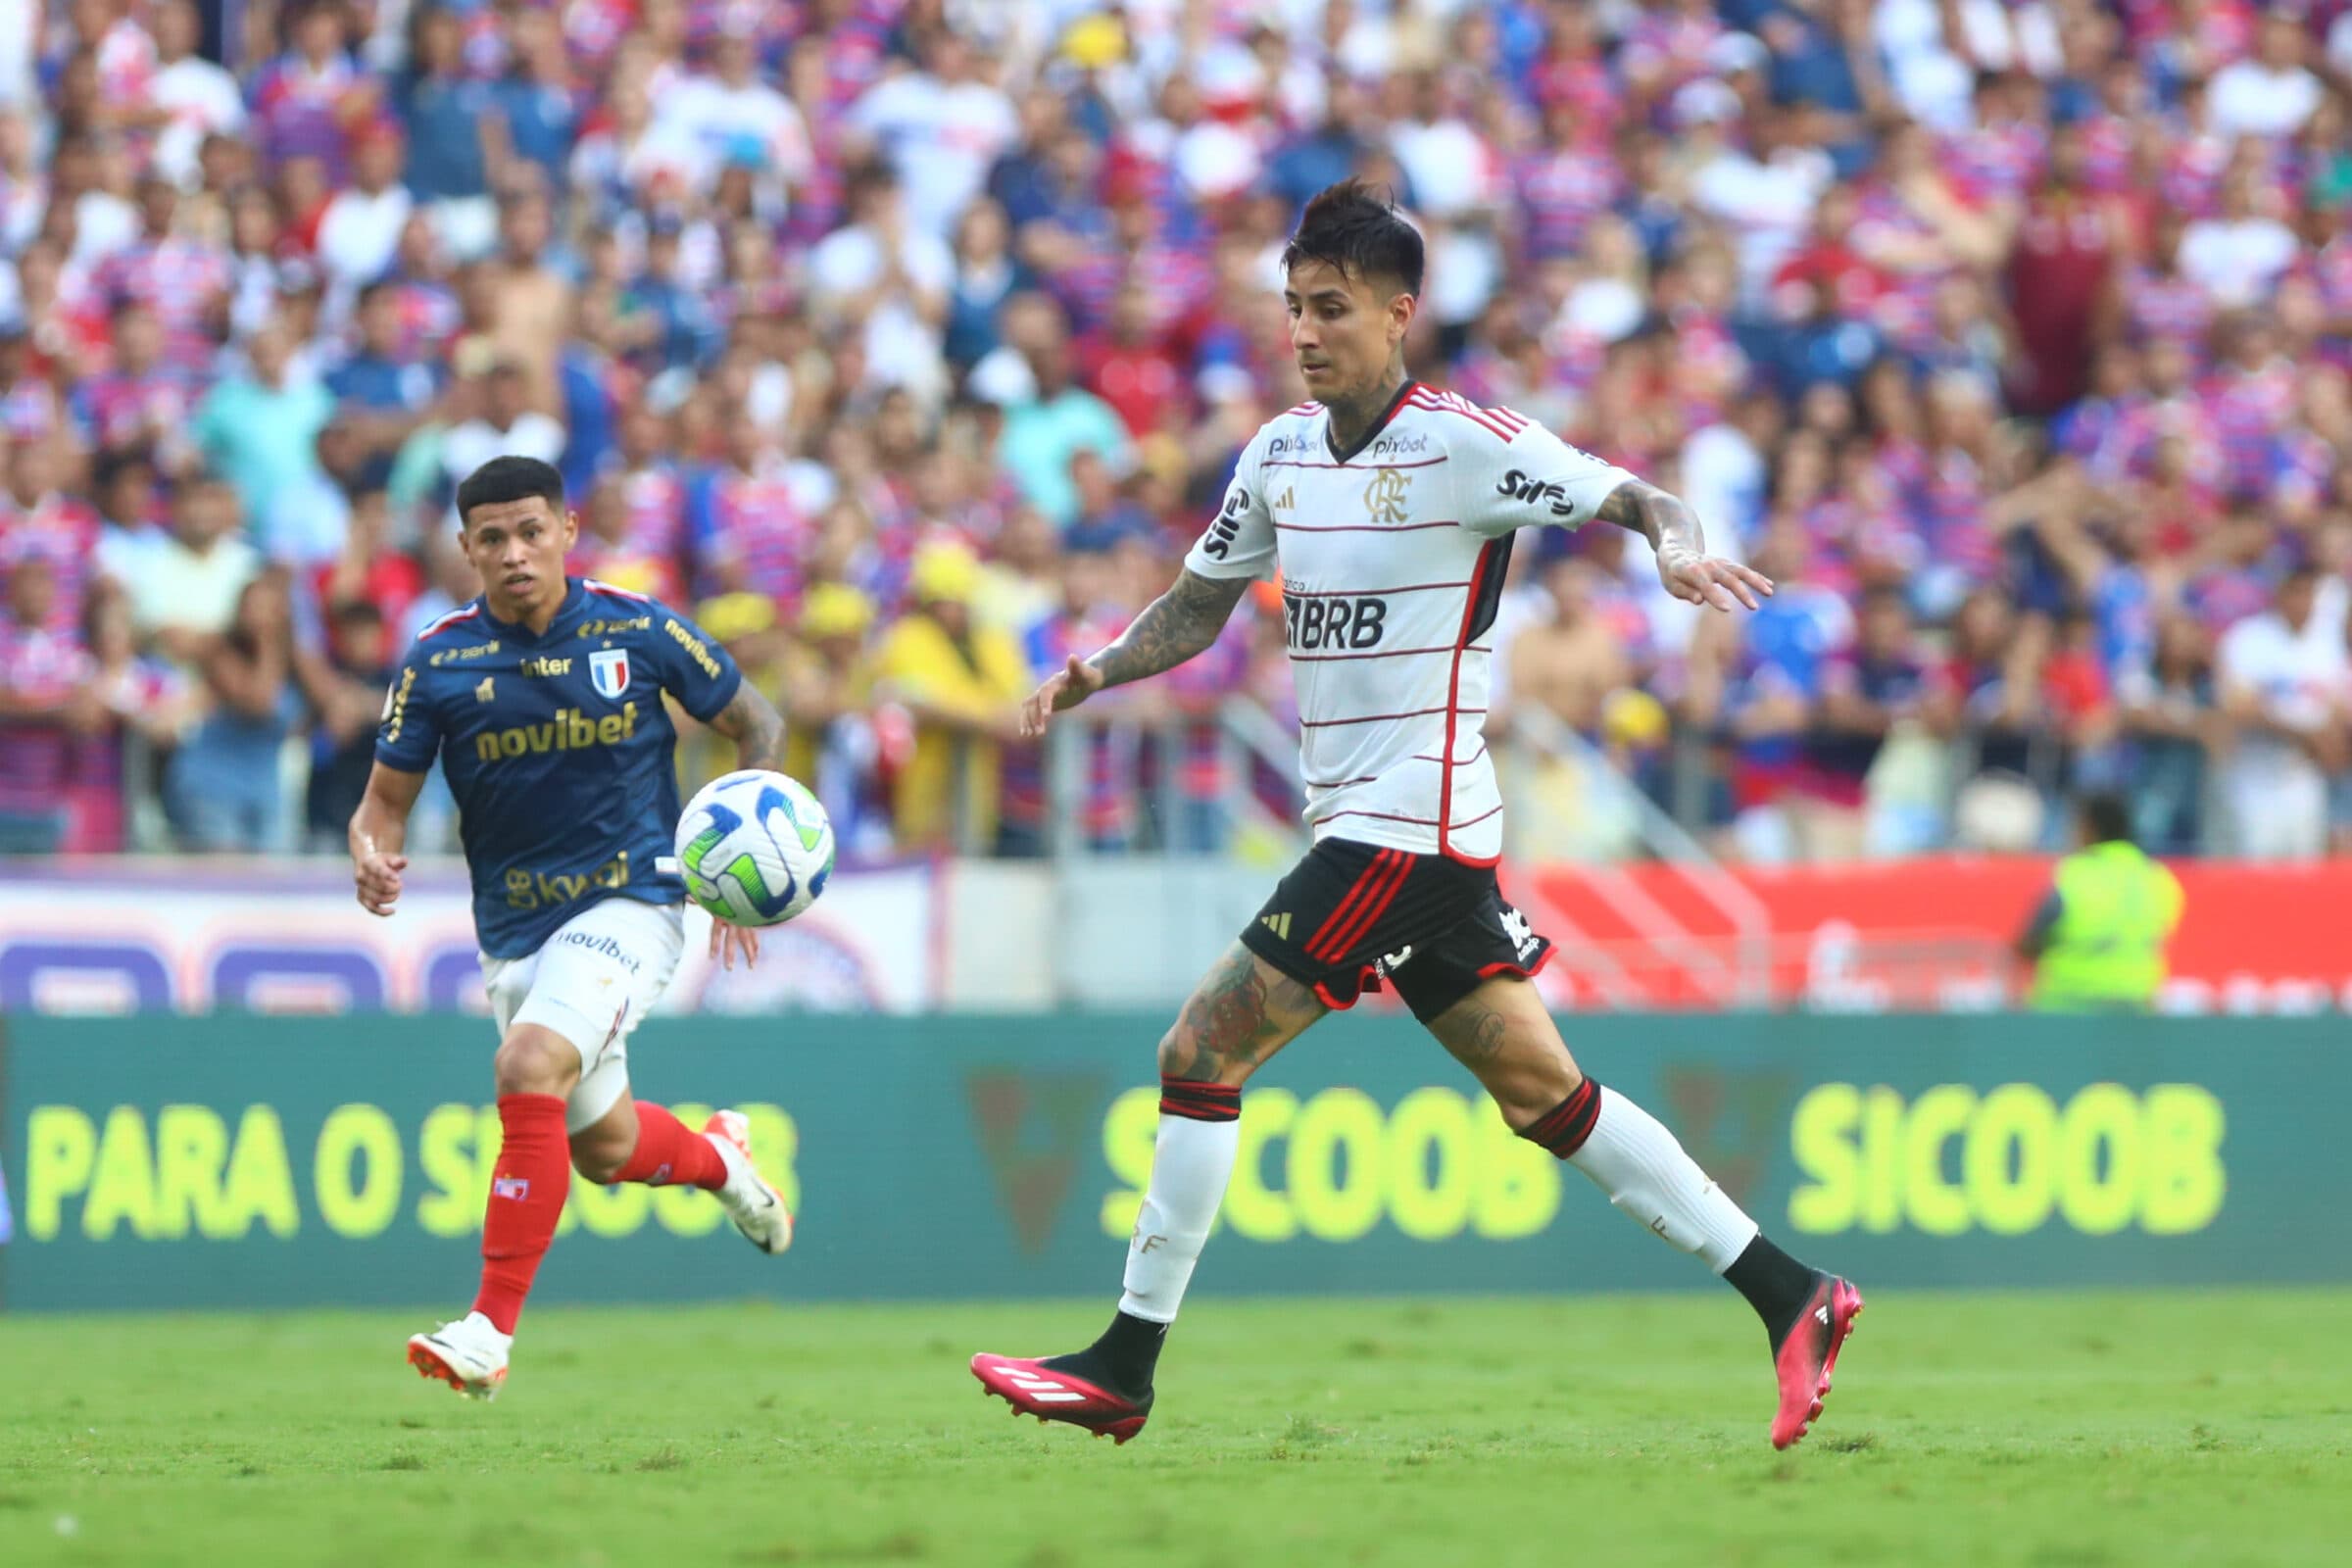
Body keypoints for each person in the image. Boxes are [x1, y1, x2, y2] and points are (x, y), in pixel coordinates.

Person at [972, 182, 1860, 1451]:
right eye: (1293, 307)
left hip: (1410, 825)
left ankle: (1125, 1362)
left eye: (1332, 308)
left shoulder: (1466, 445)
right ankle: (1796, 1295)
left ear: (1401, 315)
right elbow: (1198, 602)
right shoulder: (1277, 454)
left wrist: (1671, 548)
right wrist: (1098, 668)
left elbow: (1635, 499)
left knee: (1197, 1052)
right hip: (1386, 831)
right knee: (1542, 1089)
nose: (1306, 331)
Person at [349, 456, 794, 1400]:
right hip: (516, 934)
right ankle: (720, 1159)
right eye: (493, 539)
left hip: (636, 900)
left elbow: (759, 723)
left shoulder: (638, 627)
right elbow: (382, 804)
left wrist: (736, 858)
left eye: (531, 532)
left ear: (567, 530)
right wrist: (371, 850)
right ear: (466, 549)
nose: (515, 554)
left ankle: (487, 1332)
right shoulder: (437, 660)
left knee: (528, 1068)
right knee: (601, 1148)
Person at [2015, 792, 2184, 1011]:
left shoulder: (2074, 875)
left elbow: (2030, 941)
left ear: (2089, 828)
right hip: (2134, 1010)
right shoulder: (2159, 878)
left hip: (2067, 1009)